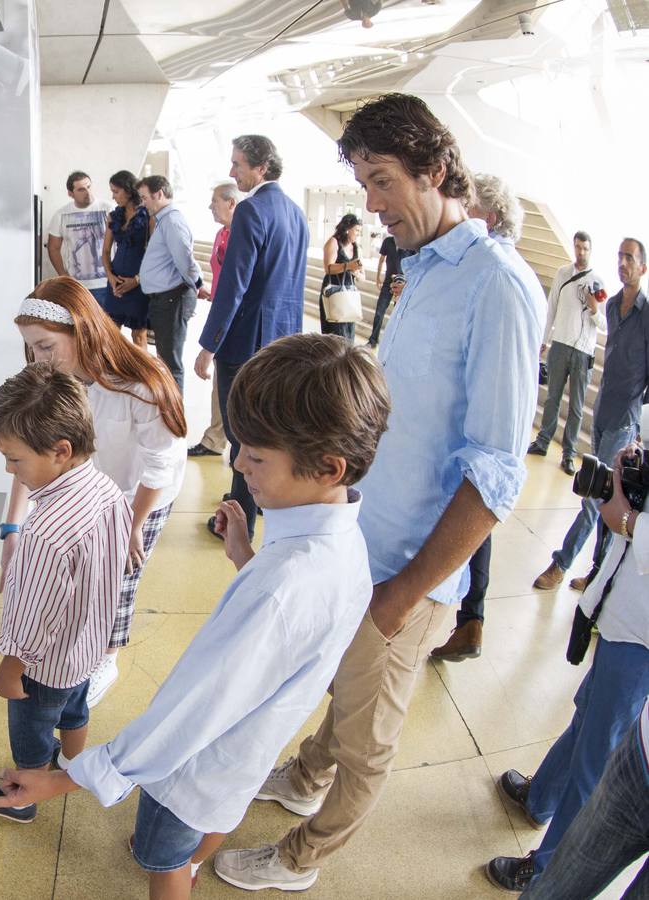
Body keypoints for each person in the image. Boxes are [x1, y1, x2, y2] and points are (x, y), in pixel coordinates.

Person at [213, 93, 544, 892]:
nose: (371, 203)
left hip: (409, 569)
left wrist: (401, 597)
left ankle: (302, 858)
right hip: (364, 543)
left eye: (384, 180)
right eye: (363, 181)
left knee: (369, 738)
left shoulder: (496, 286)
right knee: (344, 680)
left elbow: (497, 470)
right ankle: (302, 779)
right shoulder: (419, 268)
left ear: (437, 170)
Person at [0, 334, 392, 900]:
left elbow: (184, 719)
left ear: (327, 467)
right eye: (241, 445)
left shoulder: (283, 588)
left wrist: (60, 779)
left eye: (257, 456)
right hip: (243, 756)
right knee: (204, 824)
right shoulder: (341, 543)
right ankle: (192, 859)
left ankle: (178, 867)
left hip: (194, 772)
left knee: (160, 855)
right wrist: (246, 557)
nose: (238, 465)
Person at [2, 278, 188, 707]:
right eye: (32, 348)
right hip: (89, 487)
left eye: (46, 347)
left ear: (82, 330)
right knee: (82, 572)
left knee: (119, 575)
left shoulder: (141, 383)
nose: (38, 360)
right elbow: (25, 452)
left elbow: (159, 466)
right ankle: (76, 644)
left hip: (142, 493)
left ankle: (107, 658)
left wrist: (133, 527)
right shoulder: (51, 381)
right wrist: (12, 527)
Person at [0, 362, 131, 824]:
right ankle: (72, 765)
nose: (8, 468)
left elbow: (34, 618)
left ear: (60, 451)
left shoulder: (45, 533)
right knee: (75, 709)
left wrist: (9, 671)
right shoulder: (105, 489)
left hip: (41, 670)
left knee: (32, 731)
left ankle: (25, 794)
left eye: (14, 459)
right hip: (87, 649)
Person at [486, 445, 649, 892]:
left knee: (598, 755)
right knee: (586, 718)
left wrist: (631, 522)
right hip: (623, 615)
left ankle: (546, 867)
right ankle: (542, 797)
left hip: (642, 636)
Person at [432, 172, 537, 662]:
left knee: (473, 515)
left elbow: (495, 466)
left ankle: (469, 616)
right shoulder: (495, 272)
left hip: (470, 441)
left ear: (487, 218)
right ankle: (470, 616)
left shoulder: (496, 276)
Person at [194, 135, 309, 541]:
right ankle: (258, 503)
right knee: (270, 428)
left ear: (260, 168)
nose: (232, 172)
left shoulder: (251, 211)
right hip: (282, 339)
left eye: (237, 164)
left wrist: (209, 345)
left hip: (244, 343)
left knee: (242, 430)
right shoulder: (295, 213)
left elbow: (233, 286)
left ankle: (242, 515)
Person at [534, 238, 649, 592]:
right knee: (607, 500)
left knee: (595, 495)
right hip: (601, 413)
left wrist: (641, 429)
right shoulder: (612, 306)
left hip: (624, 421)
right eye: (619, 256)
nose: (623, 263)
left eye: (630, 258)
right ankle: (599, 574)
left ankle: (561, 562)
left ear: (643, 267)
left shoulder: (647, 315)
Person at [520, 697, 649, 899]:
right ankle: (538, 803)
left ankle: (538, 861)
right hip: (641, 760)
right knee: (552, 890)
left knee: (591, 761)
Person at [529, 231, 604, 475]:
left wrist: (593, 309)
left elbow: (603, 324)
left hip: (583, 350)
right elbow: (551, 308)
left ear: (590, 250)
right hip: (560, 344)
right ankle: (542, 441)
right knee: (552, 397)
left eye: (585, 248)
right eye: (577, 247)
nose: (580, 252)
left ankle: (569, 455)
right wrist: (544, 339)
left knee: (576, 406)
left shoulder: (598, 282)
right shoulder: (562, 273)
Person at [189, 182, 242, 459]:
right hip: (220, 309)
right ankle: (215, 438)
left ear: (231, 203)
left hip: (233, 316)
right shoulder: (223, 233)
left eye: (214, 202)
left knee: (228, 380)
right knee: (221, 381)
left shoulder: (241, 235)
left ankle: (225, 440)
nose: (210, 207)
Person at [138, 175, 202, 397]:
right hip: (164, 298)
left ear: (159, 194)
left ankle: (173, 418)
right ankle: (168, 408)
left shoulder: (172, 220)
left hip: (172, 298)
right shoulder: (165, 220)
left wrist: (197, 284)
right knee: (164, 358)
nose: (143, 202)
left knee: (170, 362)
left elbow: (185, 259)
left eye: (145, 197)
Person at [100, 170, 151, 346]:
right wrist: (111, 277)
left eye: (116, 191)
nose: (113, 197)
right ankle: (114, 372)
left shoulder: (148, 215)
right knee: (110, 333)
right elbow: (105, 251)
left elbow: (155, 254)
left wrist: (137, 280)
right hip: (116, 281)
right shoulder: (113, 216)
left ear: (128, 191)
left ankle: (142, 373)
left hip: (139, 282)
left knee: (139, 335)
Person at [46, 171, 112, 302]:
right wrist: (63, 276)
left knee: (109, 322)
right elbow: (53, 247)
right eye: (81, 189)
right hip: (77, 286)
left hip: (107, 283)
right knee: (79, 323)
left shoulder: (109, 209)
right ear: (70, 194)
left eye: (89, 187)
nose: (88, 192)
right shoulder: (61, 214)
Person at [319, 213, 363, 343]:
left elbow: (362, 275)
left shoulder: (356, 247)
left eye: (360, 231)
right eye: (356, 230)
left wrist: (357, 272)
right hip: (334, 290)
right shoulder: (333, 242)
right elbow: (328, 268)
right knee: (335, 333)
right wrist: (348, 266)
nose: (358, 234)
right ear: (347, 229)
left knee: (348, 334)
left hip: (349, 292)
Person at [368, 233, 404, 348]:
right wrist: (378, 277)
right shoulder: (388, 241)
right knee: (379, 311)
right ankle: (373, 340)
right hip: (388, 281)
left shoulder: (408, 242)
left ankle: (395, 343)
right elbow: (381, 259)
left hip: (402, 283)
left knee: (398, 314)